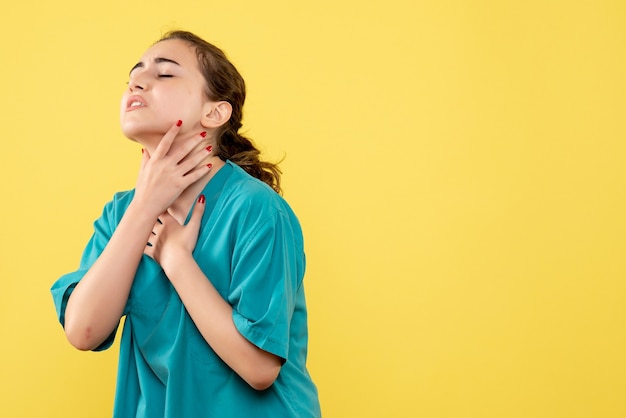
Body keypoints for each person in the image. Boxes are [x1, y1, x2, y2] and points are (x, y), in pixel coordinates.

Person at [51, 30, 321, 417]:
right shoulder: (121, 214)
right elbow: (83, 331)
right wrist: (144, 208)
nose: (137, 82)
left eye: (165, 74)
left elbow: (260, 368)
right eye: (133, 76)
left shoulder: (257, 209)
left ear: (214, 112)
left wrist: (177, 259)